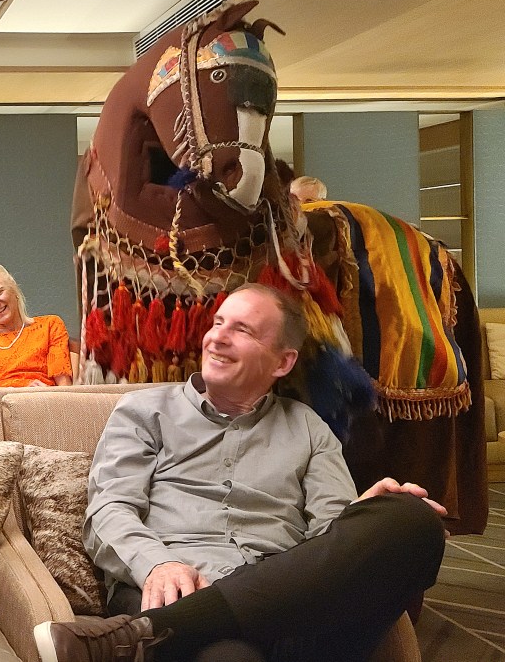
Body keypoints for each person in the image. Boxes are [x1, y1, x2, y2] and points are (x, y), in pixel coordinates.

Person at [34, 283, 446, 662]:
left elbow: (329, 540)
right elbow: (109, 511)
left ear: (283, 362)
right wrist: (158, 565)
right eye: (218, 323)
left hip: (287, 606)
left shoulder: (308, 427)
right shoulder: (144, 412)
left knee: (412, 518)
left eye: (242, 330)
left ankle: (132, 639)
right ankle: (170, 625)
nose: (217, 337)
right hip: (173, 589)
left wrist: (360, 518)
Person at [0, 264, 73, 389]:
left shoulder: (51, 325)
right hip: (0, 400)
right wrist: (18, 394)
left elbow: (65, 389)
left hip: (45, 398)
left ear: (14, 290)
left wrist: (47, 393)